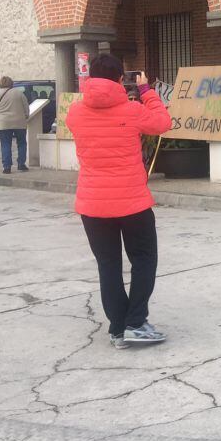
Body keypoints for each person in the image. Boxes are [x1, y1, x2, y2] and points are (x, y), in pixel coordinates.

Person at [66, 55, 172, 349]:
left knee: (108, 265)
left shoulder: (75, 113)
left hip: (92, 204)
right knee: (144, 259)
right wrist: (147, 91)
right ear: (119, 79)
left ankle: (117, 329)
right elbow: (164, 122)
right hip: (132, 203)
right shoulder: (133, 109)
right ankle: (136, 323)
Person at [0, 76, 29, 174]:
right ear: (11, 83)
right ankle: (21, 164)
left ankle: (7, 167)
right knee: (21, 143)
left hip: (3, 122)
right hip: (19, 121)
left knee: (5, 144)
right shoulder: (19, 93)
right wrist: (26, 116)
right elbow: (26, 107)